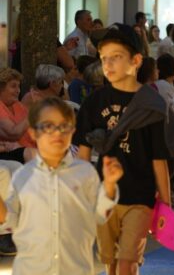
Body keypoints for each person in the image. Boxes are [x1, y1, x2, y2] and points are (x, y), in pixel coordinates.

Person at [74, 25, 174, 275]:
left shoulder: (151, 103)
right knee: (110, 261)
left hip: (140, 197)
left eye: (116, 57)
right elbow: (83, 154)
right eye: (104, 58)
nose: (108, 64)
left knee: (127, 260)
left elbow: (158, 158)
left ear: (136, 60)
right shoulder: (94, 103)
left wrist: (166, 203)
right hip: (104, 196)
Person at [0, 97, 122, 274]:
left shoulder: (84, 173)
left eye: (63, 126)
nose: (57, 133)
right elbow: (10, 218)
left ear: (72, 131)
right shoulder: (23, 176)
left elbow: (100, 214)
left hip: (74, 268)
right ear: (33, 132)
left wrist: (110, 185)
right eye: (48, 126)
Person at [0, 68, 36, 163]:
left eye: (19, 86)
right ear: (1, 88)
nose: (18, 91)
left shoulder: (18, 105)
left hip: (29, 149)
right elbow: (14, 133)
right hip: (15, 153)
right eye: (13, 86)